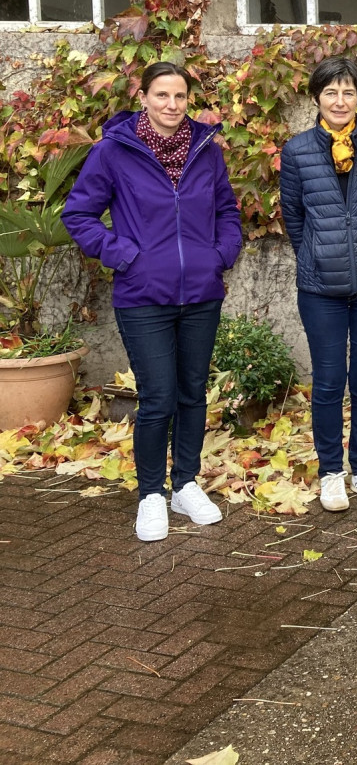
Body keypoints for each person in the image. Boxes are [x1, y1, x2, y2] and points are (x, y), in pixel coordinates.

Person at [64, 62, 243, 542]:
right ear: (142, 97)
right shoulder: (114, 152)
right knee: (158, 397)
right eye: (161, 94)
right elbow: (78, 214)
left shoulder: (206, 151)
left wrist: (220, 255)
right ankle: (150, 494)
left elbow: (227, 210)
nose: (171, 105)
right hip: (142, 296)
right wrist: (123, 255)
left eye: (180, 96)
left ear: (189, 100)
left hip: (201, 294)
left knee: (192, 393)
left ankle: (184, 483)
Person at [280, 57, 357, 513]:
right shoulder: (297, 152)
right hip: (320, 289)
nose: (339, 100)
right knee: (330, 382)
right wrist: (318, 253)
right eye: (330, 92)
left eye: (348, 92)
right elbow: (293, 215)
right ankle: (332, 472)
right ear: (317, 98)